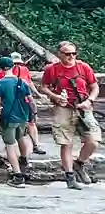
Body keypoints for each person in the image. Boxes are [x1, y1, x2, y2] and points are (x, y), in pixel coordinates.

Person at [39, 41, 101, 189]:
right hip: (63, 108)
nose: (71, 56)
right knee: (66, 143)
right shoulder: (52, 69)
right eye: (67, 54)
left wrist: (89, 100)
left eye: (74, 53)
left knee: (93, 140)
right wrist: (54, 96)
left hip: (83, 108)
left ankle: (79, 164)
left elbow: (94, 86)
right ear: (59, 54)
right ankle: (70, 177)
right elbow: (44, 87)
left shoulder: (83, 67)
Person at [0, 55, 35, 186]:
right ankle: (24, 161)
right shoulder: (22, 82)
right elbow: (31, 101)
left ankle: (17, 176)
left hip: (8, 117)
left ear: (0, 68)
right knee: (21, 138)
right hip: (22, 116)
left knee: (10, 145)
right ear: (14, 66)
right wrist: (33, 116)